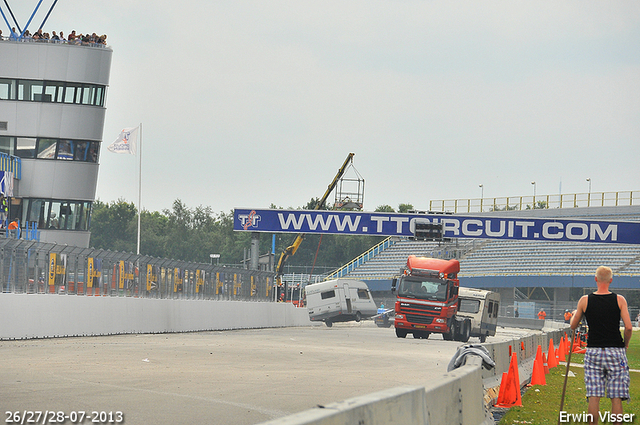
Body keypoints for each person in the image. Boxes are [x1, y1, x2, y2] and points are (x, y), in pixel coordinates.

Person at [570, 266, 632, 425]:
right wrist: (624, 345)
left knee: (594, 396)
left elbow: (573, 325)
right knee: (616, 397)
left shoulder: (585, 300)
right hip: (615, 350)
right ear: (611, 280)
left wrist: (573, 317)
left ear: (595, 279)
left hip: (593, 351)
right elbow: (629, 327)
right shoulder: (620, 300)